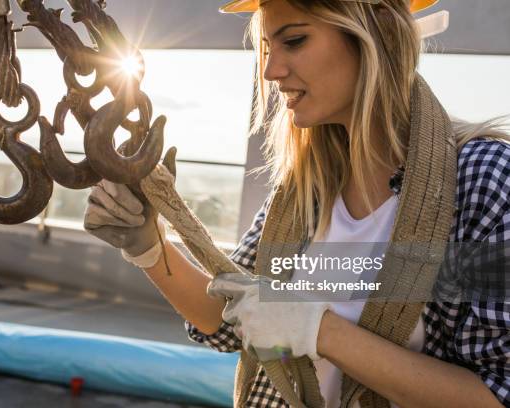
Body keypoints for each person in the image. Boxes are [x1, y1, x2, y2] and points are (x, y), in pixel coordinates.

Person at [84, 0, 510, 406]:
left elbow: (496, 394)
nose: (270, 71)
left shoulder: (483, 180)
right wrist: (149, 248)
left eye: (294, 41)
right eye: (268, 48)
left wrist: (318, 331)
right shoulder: (308, 189)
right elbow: (232, 319)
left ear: (376, 33)